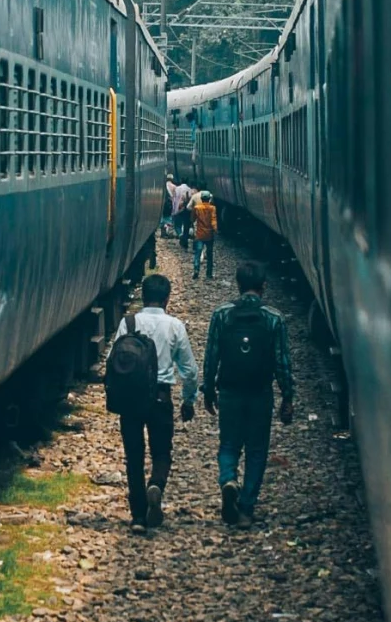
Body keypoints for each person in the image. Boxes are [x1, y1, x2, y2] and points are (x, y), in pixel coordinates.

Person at [202, 263, 294, 525]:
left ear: (238, 284)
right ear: (263, 287)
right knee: (256, 449)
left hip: (230, 391)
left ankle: (229, 479)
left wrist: (208, 389)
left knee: (229, 444)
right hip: (260, 393)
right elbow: (282, 362)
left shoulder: (221, 315)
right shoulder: (274, 318)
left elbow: (211, 357)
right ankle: (246, 508)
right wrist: (287, 396)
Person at [107, 271, 197, 530]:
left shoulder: (129, 323)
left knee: (133, 456)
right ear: (167, 298)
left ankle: (137, 516)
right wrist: (189, 400)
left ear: (144, 297)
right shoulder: (175, 326)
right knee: (161, 451)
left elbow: (115, 358)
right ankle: (156, 484)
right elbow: (189, 371)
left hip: (130, 399)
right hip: (160, 397)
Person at [191, 191, 218, 281]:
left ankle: (196, 269)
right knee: (209, 255)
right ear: (209, 199)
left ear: (202, 199)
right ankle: (209, 274)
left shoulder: (197, 208)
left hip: (199, 234)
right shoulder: (212, 208)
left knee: (197, 253)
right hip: (209, 235)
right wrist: (215, 229)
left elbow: (192, 219)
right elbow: (213, 220)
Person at [171, 179, 193, 249]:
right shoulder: (190, 190)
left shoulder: (177, 189)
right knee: (186, 226)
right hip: (187, 210)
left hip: (178, 209)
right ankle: (185, 240)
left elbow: (174, 200)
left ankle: (180, 235)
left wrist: (174, 209)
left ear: (181, 182)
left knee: (177, 225)